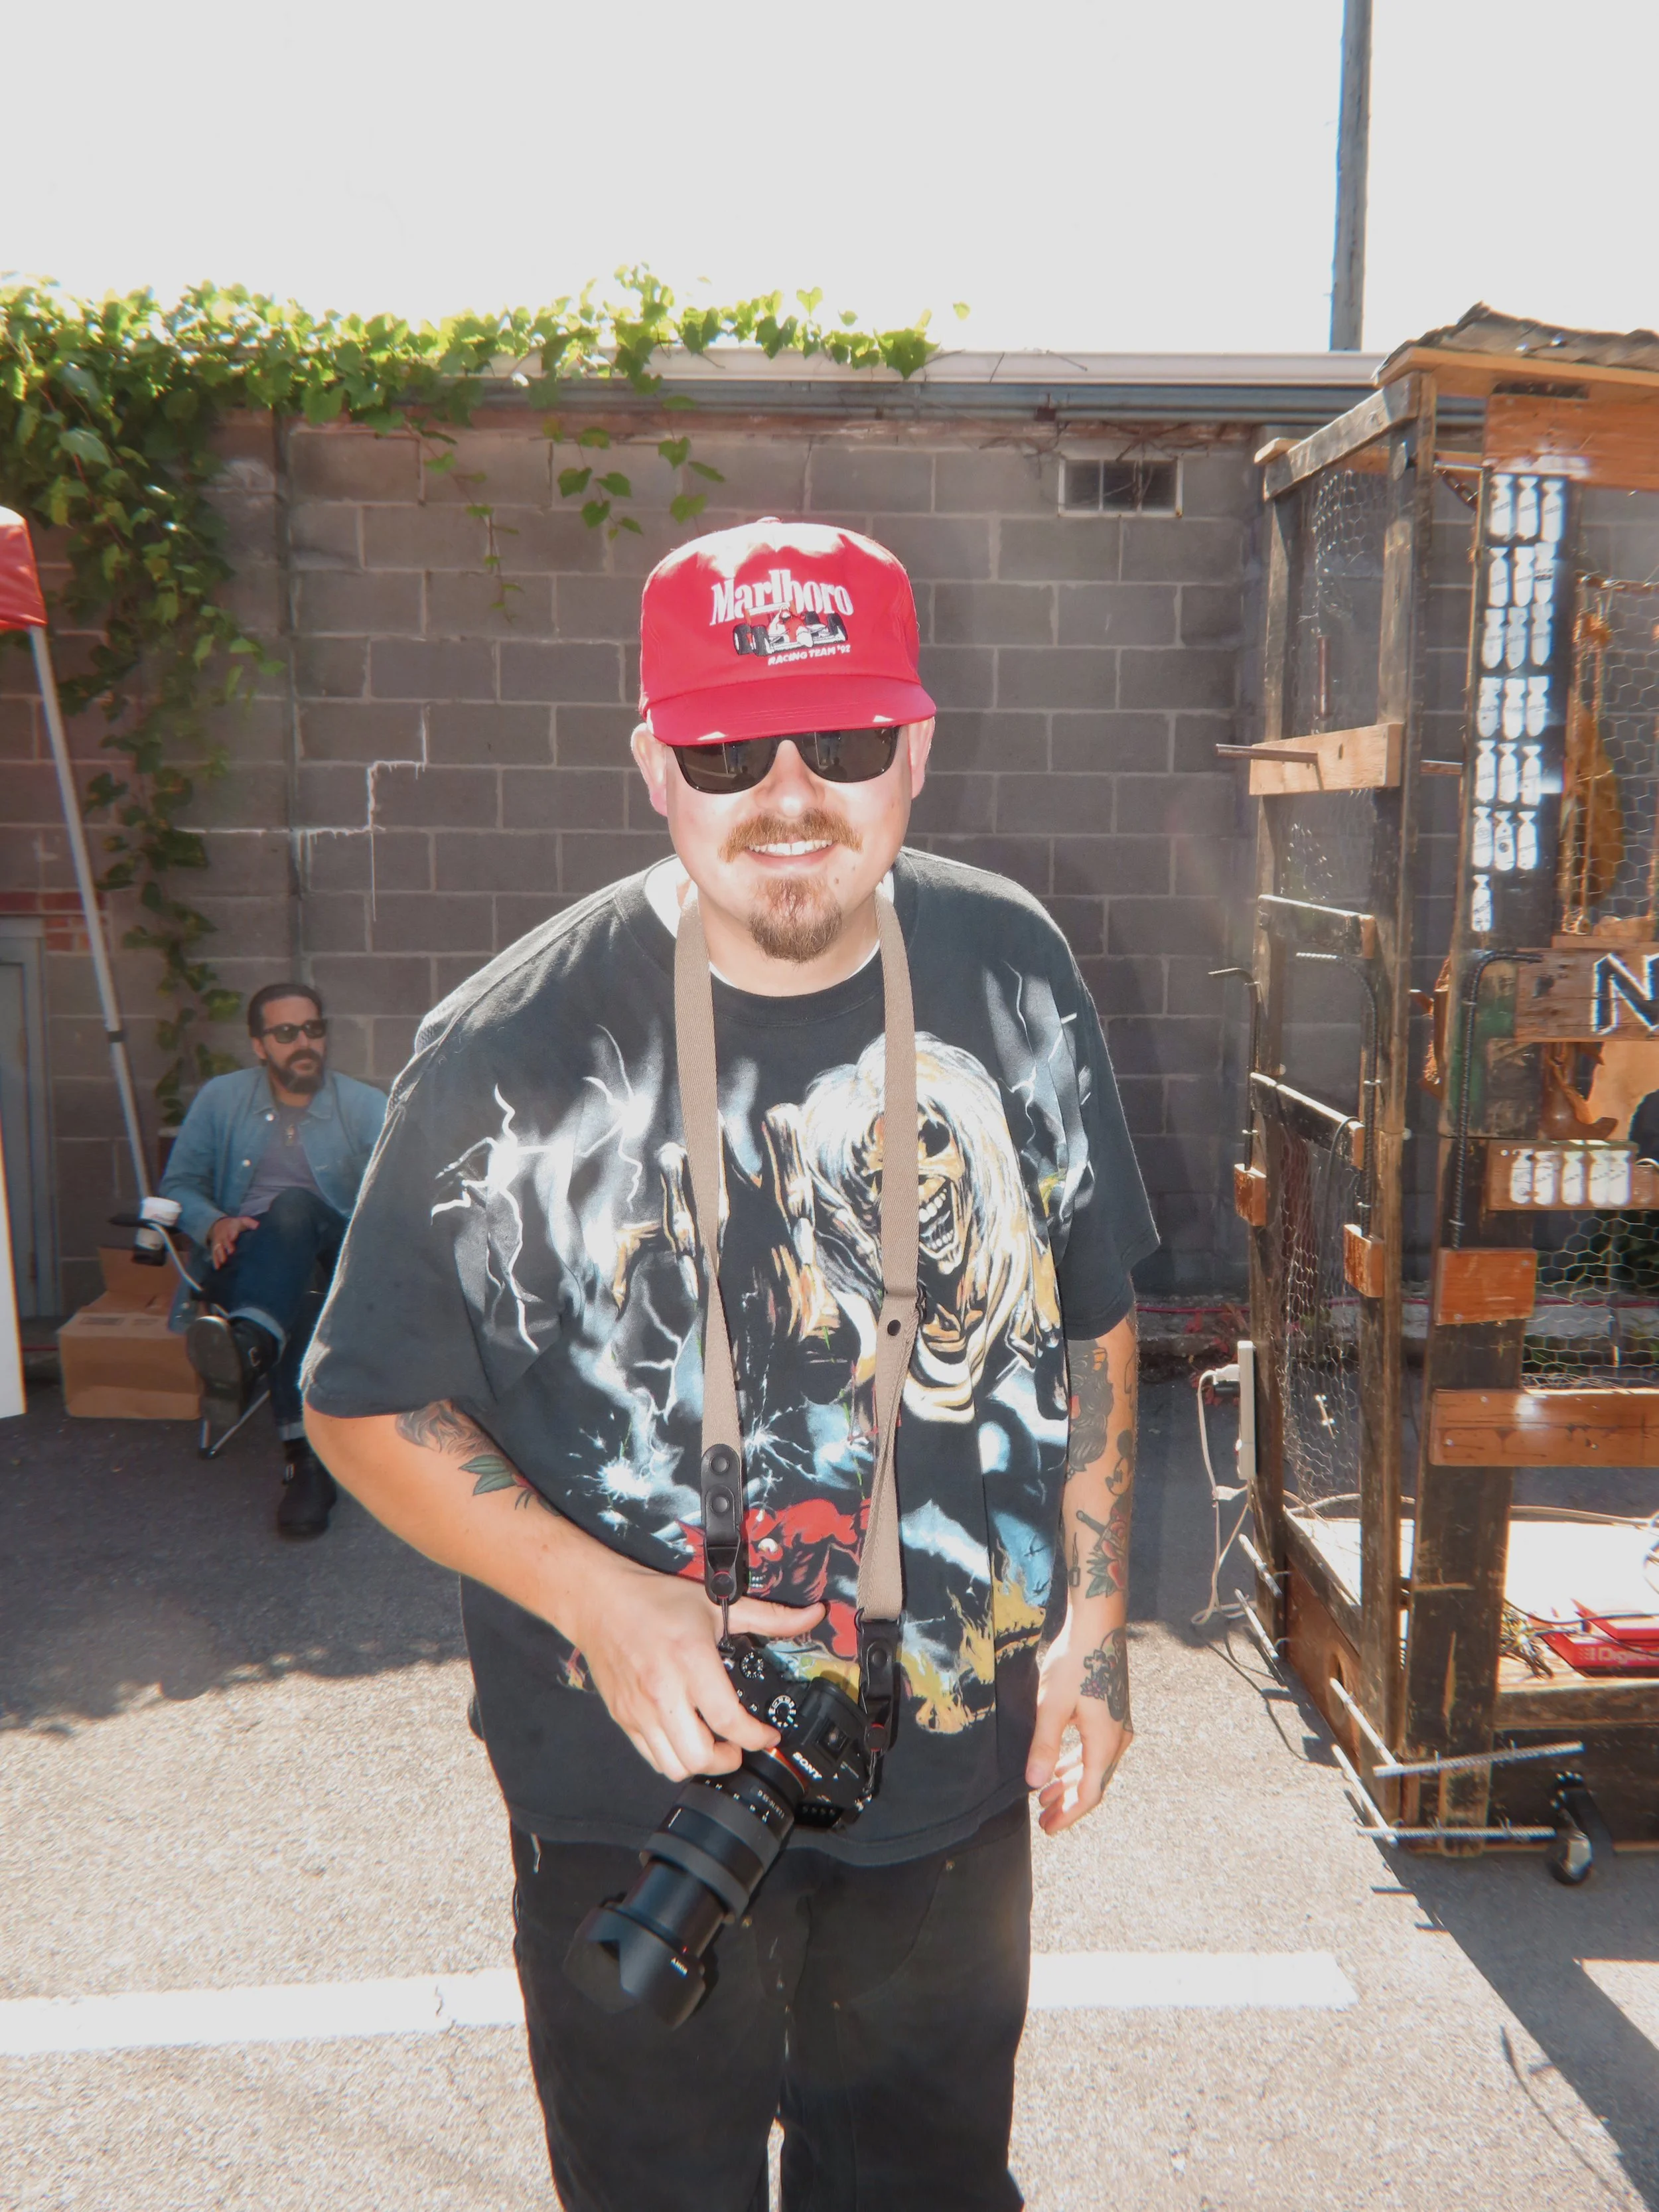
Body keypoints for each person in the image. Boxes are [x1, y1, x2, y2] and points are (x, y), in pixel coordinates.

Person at [304, 518, 1157, 2210]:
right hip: (639, 1791)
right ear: (653, 769)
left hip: (949, 1771)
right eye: (724, 748)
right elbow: (361, 1401)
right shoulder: (505, 1049)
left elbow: (1090, 1314)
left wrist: (1097, 1633)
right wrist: (603, 1597)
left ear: (913, 750)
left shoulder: (1015, 972)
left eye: (840, 741)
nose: (787, 793)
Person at [161, 982, 386, 1536]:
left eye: (313, 1029)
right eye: (286, 1033)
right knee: (300, 1290)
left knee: (294, 1213)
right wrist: (215, 1222)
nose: (303, 1042)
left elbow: (401, 1197)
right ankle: (305, 1465)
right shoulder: (221, 1099)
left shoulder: (363, 1107)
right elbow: (179, 1186)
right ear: (260, 1045)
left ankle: (247, 1348)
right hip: (246, 1261)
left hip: (338, 1260)